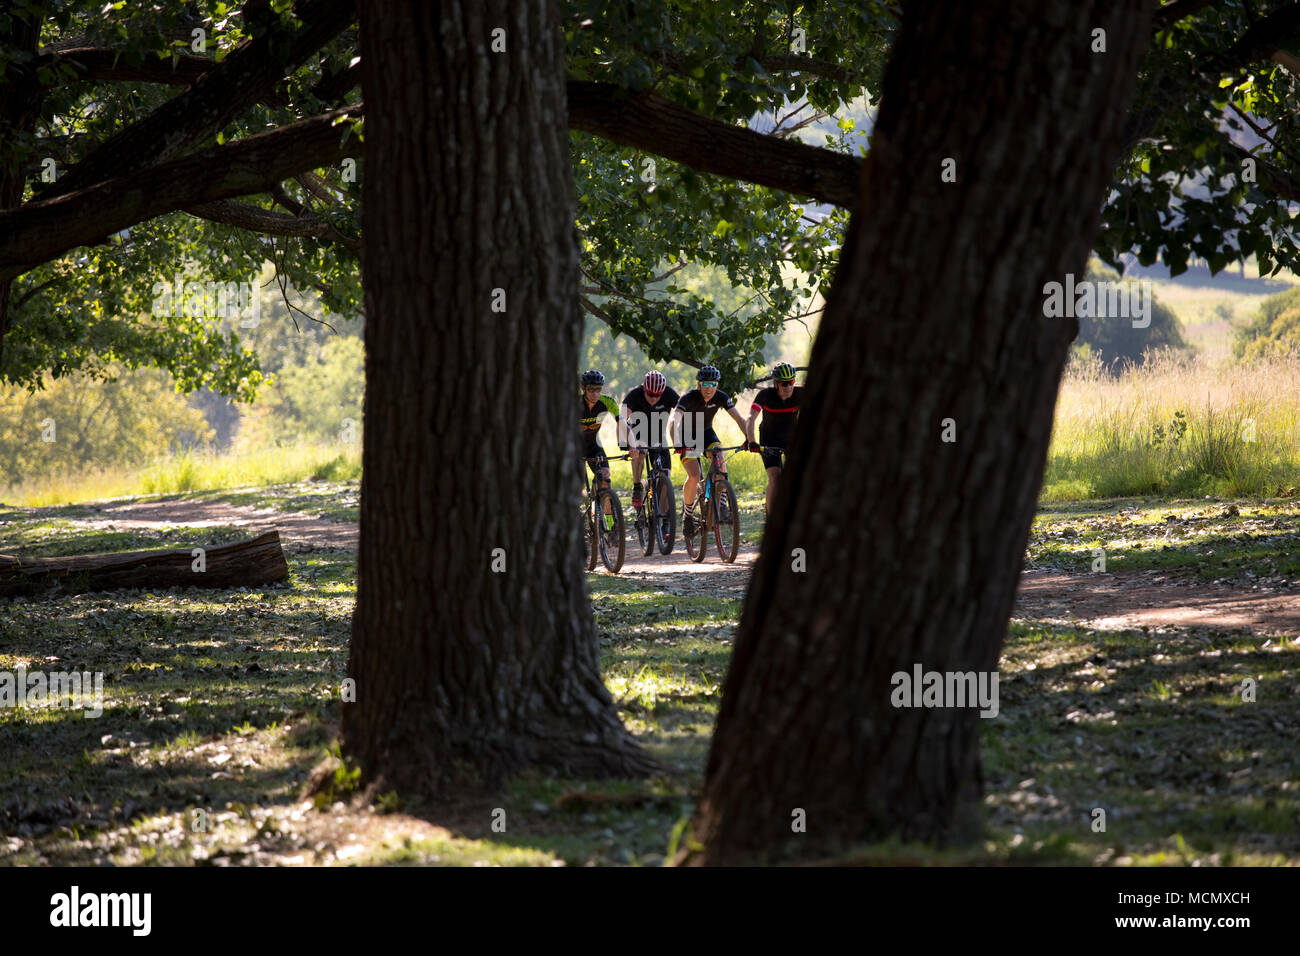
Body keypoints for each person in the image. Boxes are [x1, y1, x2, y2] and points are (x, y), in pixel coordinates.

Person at [668, 365, 749, 535]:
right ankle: (688, 516)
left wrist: (750, 439)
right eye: (705, 384)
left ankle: (722, 504)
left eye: (713, 384)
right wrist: (677, 442)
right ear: (699, 384)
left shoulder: (721, 397)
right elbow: (673, 420)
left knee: (719, 454)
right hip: (686, 437)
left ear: (717, 385)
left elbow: (739, 418)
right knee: (694, 475)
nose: (709, 388)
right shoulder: (689, 397)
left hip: (706, 434)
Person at [746, 362, 802, 517]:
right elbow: (750, 418)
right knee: (775, 478)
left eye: (791, 382)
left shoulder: (800, 394)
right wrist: (751, 441)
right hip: (768, 438)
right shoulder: (765, 395)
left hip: (791, 439)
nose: (788, 387)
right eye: (784, 384)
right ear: (775, 383)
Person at [620, 370, 679, 510]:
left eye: (658, 395)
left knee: (665, 477)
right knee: (640, 453)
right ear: (644, 389)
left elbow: (683, 413)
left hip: (658, 436)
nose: (654, 398)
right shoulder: (634, 395)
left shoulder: (669, 393)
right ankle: (637, 487)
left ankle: (664, 520)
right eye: (650, 394)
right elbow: (621, 420)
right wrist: (626, 445)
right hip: (637, 435)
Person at [579, 369, 620, 527]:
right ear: (583, 389)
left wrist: (631, 445)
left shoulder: (607, 402)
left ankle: (610, 525)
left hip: (594, 446)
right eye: (591, 389)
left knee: (605, 480)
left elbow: (622, 424)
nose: (595, 393)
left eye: (598, 389)